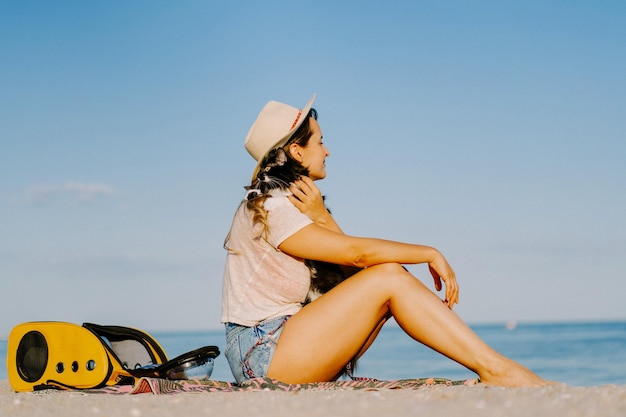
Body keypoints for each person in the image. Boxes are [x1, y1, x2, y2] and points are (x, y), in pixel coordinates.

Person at [221, 93, 549, 387]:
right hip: (263, 354)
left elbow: (354, 274)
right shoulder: (269, 208)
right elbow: (357, 256)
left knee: (388, 278)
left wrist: (322, 217)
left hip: (278, 347)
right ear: (296, 151)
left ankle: (495, 367)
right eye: (320, 142)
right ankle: (496, 368)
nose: (327, 150)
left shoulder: (284, 206)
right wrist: (429, 253)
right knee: (389, 276)